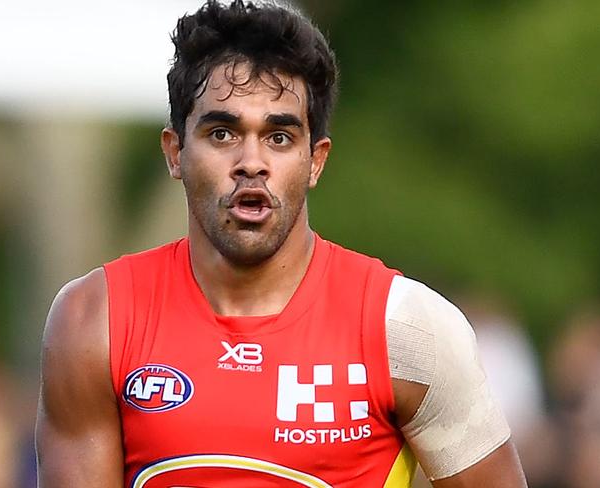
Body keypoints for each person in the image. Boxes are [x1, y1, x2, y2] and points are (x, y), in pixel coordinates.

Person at [35, 1, 527, 486]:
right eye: (223, 132)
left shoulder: (407, 329)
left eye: (278, 137)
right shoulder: (95, 318)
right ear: (175, 152)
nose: (251, 162)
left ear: (315, 160)